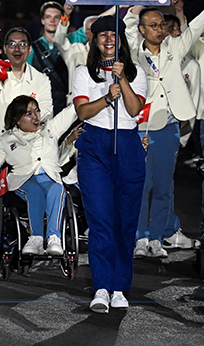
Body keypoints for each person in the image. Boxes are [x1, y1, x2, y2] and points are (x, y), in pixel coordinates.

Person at [72, 16, 148, 313]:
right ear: (94, 40)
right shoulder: (83, 72)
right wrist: (106, 97)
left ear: (121, 39)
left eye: (113, 34)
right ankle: (101, 287)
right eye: (102, 34)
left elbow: (134, 108)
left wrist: (122, 79)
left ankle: (119, 288)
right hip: (95, 147)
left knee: (125, 222)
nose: (108, 40)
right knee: (101, 220)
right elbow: (82, 112)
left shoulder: (137, 71)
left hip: (127, 145)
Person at [123, 4, 204, 257]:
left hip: (168, 127)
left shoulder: (174, 48)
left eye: (161, 25)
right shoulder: (134, 52)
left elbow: (195, 28)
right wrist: (137, 2)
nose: (159, 30)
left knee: (164, 186)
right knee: (141, 184)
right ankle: (140, 237)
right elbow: (128, 25)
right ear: (142, 29)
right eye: (153, 26)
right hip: (141, 127)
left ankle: (157, 239)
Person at [0, 95, 77, 256]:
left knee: (58, 189)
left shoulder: (50, 128)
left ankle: (54, 237)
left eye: (37, 111)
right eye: (29, 113)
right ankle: (36, 238)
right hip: (22, 180)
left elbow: (72, 110)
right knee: (35, 191)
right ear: (17, 120)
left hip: (49, 178)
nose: (35, 117)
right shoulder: (7, 139)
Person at [0, 27, 53, 169]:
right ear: (5, 49)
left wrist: (27, 123)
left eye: (22, 44)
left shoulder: (40, 79)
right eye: (12, 44)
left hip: (25, 151)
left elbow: (46, 111)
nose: (17, 49)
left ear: (29, 50)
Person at [28, 2, 71, 115]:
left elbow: (90, 26)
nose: (52, 21)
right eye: (48, 17)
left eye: (56, 17)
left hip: (66, 106)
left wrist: (114, 5)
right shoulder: (32, 48)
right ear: (42, 20)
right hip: (41, 106)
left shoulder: (70, 42)